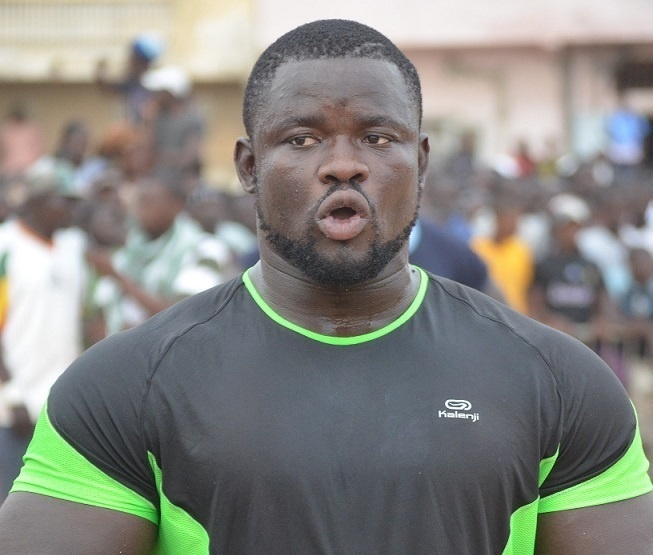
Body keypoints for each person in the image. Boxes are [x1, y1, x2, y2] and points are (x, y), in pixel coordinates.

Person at [0, 19, 651, 554]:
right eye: (303, 137)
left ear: (419, 162)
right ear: (248, 167)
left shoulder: (562, 383)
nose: (343, 163)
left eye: (377, 135)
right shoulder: (119, 388)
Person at [0, 166, 87, 504]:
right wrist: (10, 393)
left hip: (60, 407)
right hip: (13, 410)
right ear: (36, 201)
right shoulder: (6, 245)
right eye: (62, 200)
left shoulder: (73, 247)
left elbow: (84, 319)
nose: (70, 209)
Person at [87, 167, 232, 337]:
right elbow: (100, 315)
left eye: (149, 202)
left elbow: (183, 316)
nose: (140, 210)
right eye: (139, 201)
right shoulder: (128, 253)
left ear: (176, 206)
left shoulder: (204, 249)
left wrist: (120, 279)